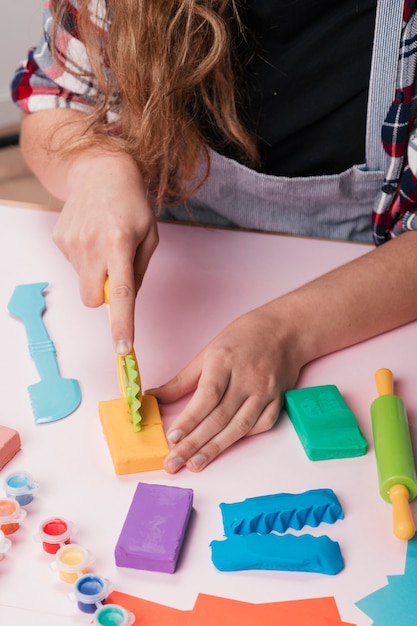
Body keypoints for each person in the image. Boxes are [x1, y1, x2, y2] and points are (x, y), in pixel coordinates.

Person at [10, 0, 417, 474]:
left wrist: (287, 329)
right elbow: (52, 101)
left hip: (367, 291)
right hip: (187, 252)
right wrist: (93, 166)